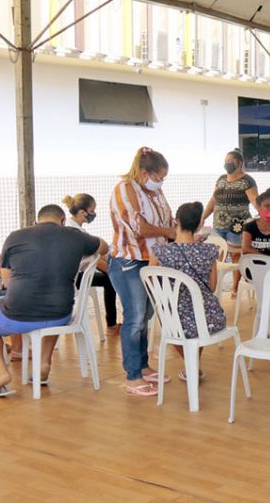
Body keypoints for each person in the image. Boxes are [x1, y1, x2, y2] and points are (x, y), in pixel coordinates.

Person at [0, 204, 106, 398]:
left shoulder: (15, 236)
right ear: (62, 221)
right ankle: (44, 363)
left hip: (17, 314)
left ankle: (1, 372)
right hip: (60, 315)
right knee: (51, 302)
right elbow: (104, 247)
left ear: (35, 222)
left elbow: (7, 282)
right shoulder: (75, 235)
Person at [109, 147, 175, 397]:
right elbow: (139, 227)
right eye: (158, 177)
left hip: (152, 261)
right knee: (135, 317)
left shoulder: (154, 192)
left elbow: (166, 220)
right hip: (129, 261)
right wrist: (169, 233)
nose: (160, 182)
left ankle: (143, 365)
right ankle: (132, 375)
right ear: (144, 171)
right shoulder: (125, 190)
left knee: (146, 315)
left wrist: (181, 229)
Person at [151, 202, 226, 381]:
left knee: (172, 321)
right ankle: (192, 366)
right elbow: (213, 286)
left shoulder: (159, 251)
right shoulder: (209, 251)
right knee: (198, 320)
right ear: (199, 225)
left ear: (176, 222)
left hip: (173, 318)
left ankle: (190, 365)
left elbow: (153, 283)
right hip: (208, 318)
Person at [63, 193, 120, 335]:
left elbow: (95, 256)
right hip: (73, 279)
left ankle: (111, 324)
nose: (94, 214)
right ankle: (111, 325)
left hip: (73, 274)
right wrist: (115, 271)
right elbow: (95, 261)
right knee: (109, 280)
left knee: (108, 275)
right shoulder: (75, 232)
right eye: (92, 211)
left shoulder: (74, 228)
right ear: (83, 212)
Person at [203, 150, 258, 297]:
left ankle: (235, 288)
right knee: (215, 258)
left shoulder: (247, 181)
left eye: (230, 161)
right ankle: (214, 289)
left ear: (239, 163)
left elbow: (255, 200)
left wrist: (263, 215)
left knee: (236, 257)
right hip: (218, 225)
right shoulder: (221, 180)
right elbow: (212, 201)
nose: (226, 163)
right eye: (225, 160)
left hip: (237, 226)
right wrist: (202, 218)